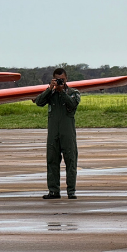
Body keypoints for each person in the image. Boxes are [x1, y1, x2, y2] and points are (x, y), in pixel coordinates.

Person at [36, 68, 81, 199]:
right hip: (53, 134)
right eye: (57, 79)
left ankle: (71, 191)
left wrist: (62, 92)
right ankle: (53, 191)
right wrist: (50, 89)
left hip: (68, 134)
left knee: (71, 162)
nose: (60, 81)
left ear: (66, 79)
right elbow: (39, 102)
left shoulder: (73, 93)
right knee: (52, 162)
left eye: (62, 79)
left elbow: (72, 105)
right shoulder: (51, 93)